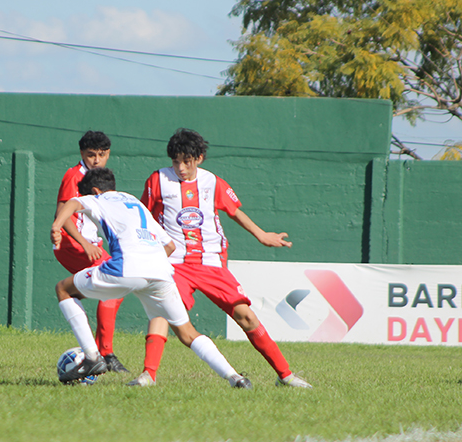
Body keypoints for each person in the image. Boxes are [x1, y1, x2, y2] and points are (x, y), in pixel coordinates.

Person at [132, 128, 312, 388]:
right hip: (173, 265)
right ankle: (149, 375)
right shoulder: (157, 180)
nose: (181, 167)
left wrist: (262, 235)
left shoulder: (213, 182)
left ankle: (285, 376)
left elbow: (234, 211)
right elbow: (143, 216)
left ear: (200, 158)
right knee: (161, 312)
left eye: (187, 161)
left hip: (211, 264)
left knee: (246, 316)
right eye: (176, 161)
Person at [51, 167, 252, 389]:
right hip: (161, 272)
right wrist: (147, 266)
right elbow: (170, 245)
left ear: (96, 190)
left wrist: (57, 226)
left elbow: (71, 203)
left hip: (125, 268)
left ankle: (91, 357)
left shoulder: (98, 198)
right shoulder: (135, 203)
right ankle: (236, 378)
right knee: (187, 333)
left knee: (63, 289)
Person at [54, 131, 128, 373]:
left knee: (110, 288)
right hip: (72, 245)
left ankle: (96, 349)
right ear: (82, 154)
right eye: (91, 155)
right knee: (115, 282)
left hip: (89, 245)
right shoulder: (74, 175)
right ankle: (104, 354)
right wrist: (85, 244)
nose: (96, 160)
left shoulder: (100, 178)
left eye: (102, 155)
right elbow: (63, 216)